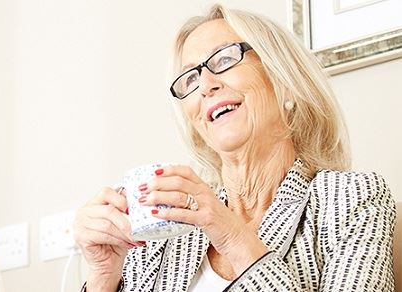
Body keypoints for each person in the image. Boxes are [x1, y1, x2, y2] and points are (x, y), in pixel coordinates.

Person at [74, 4, 396, 291]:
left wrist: (232, 236)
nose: (204, 86)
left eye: (225, 59)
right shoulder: (166, 229)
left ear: (284, 81)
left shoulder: (353, 198)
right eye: (189, 79)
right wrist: (104, 276)